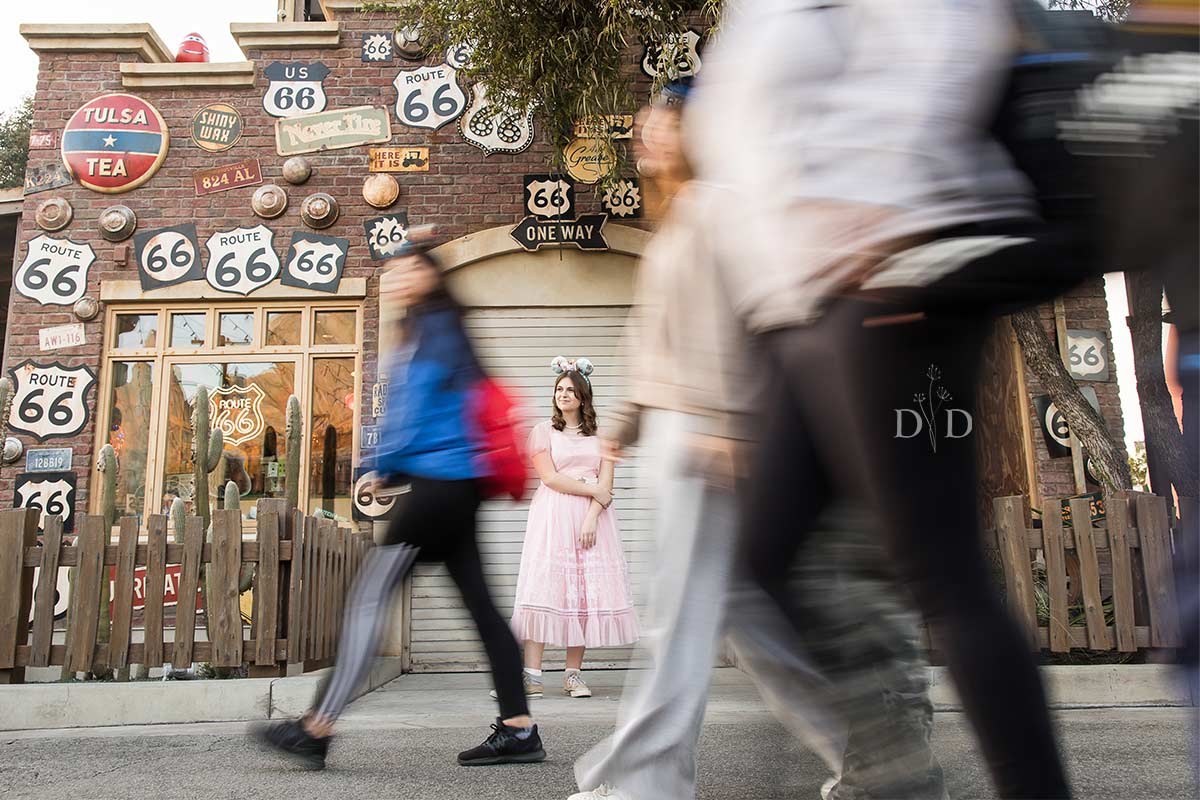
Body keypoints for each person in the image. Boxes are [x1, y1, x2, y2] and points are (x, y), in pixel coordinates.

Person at [688, 2, 1075, 796]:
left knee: (942, 573)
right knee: (764, 559)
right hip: (795, 304)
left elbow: (949, 39)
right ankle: (892, 761)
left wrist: (889, 205)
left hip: (888, 276)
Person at [571, 82, 945, 800]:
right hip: (688, 433)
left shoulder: (719, 206)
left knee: (679, 627)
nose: (647, 129)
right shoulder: (678, 220)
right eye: (646, 117)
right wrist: (619, 429)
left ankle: (641, 787)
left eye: (667, 118)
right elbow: (656, 346)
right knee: (750, 621)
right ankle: (875, 756)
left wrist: (726, 425)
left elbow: (753, 322)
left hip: (709, 437)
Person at [254, 245, 545, 769]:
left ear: (429, 275)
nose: (397, 278)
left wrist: (385, 462)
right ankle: (519, 727)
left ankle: (316, 727)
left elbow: (417, 407)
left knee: (368, 595)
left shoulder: (434, 327)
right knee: (481, 605)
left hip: (438, 486)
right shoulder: (442, 324)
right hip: (459, 485)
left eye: (409, 268)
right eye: (393, 270)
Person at [507, 357, 639, 699]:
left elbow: (607, 485)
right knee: (544, 587)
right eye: (559, 389)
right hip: (552, 515)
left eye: (570, 390)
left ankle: (573, 675)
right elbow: (549, 477)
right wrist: (593, 488)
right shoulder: (542, 432)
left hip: (591, 519)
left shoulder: (603, 437)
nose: (563, 395)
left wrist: (593, 514)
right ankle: (531, 676)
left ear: (583, 397)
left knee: (581, 592)